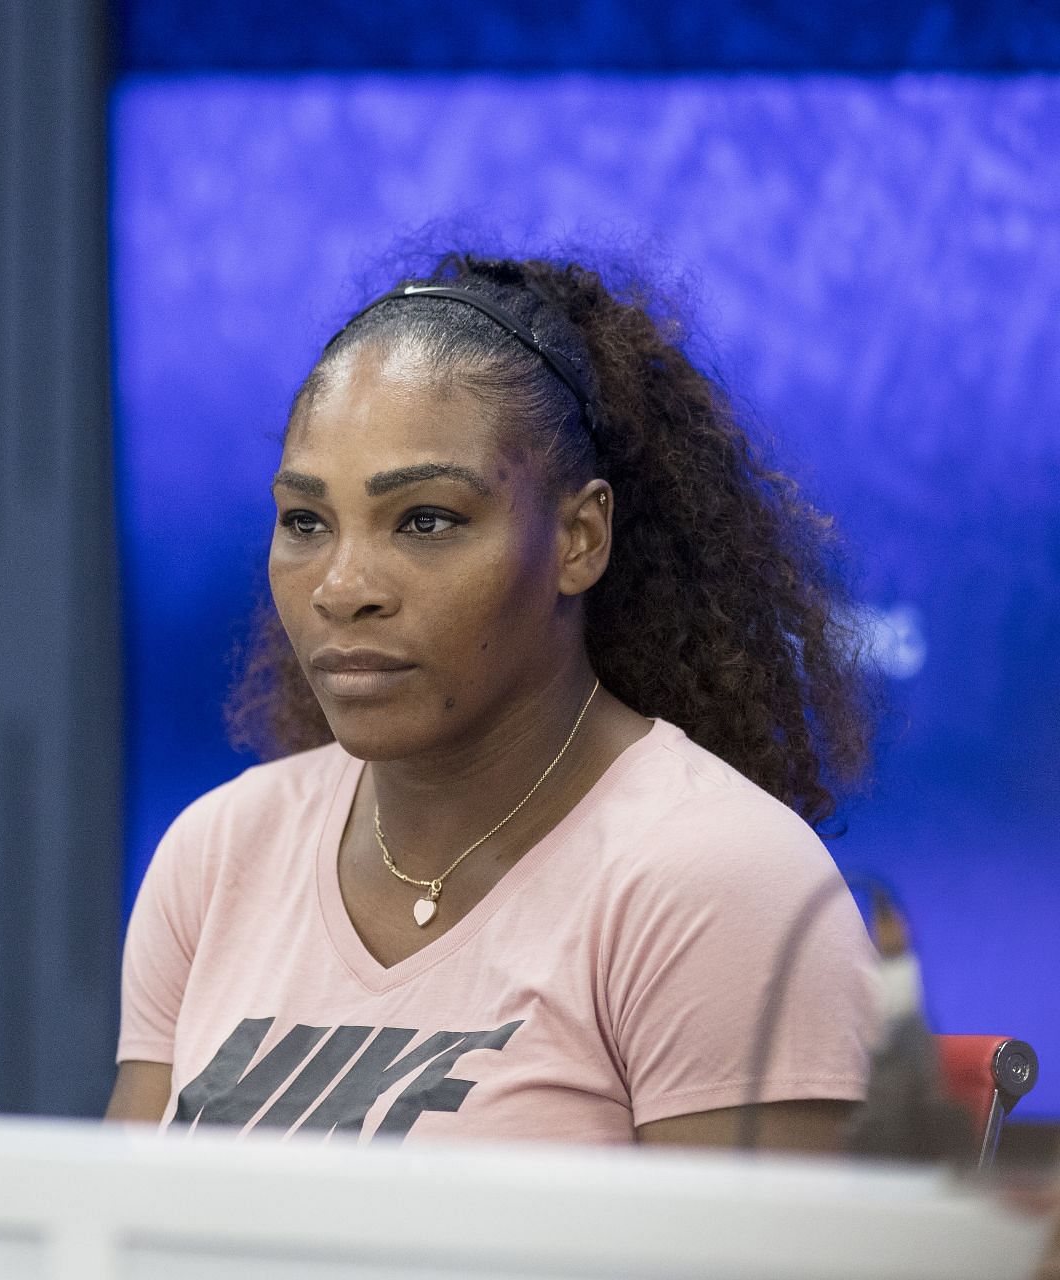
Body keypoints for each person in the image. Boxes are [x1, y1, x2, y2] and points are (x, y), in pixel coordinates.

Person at [105, 252, 881, 1150]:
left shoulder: (716, 882)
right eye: (305, 522)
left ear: (579, 539)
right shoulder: (216, 856)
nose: (343, 586)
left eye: (427, 520)